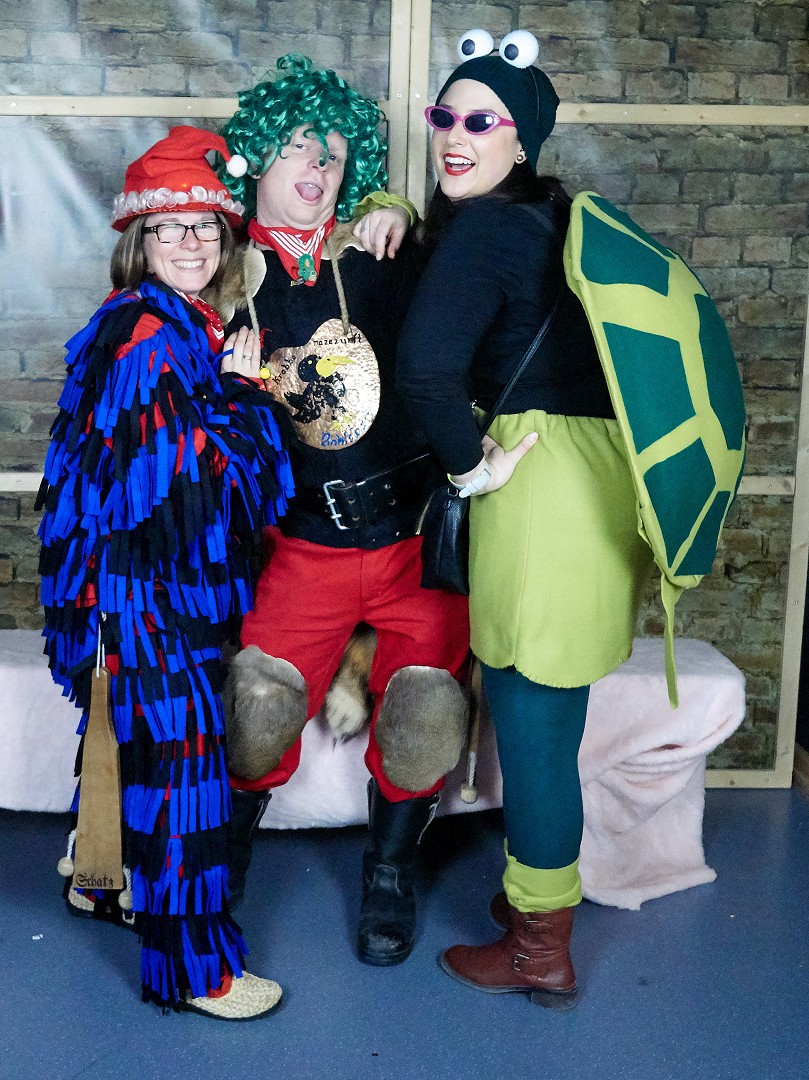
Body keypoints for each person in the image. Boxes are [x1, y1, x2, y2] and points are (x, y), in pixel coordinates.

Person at [396, 31, 653, 1008]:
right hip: (598, 485)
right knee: (552, 723)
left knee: (536, 738)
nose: (453, 135)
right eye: (443, 115)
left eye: (480, 120)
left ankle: (539, 947)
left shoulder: (486, 231)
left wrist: (469, 469)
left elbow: (424, 373)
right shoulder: (563, 224)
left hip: (537, 489)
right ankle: (534, 901)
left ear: (521, 139)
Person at [208, 54, 471, 966]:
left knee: (426, 712)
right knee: (255, 711)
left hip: (412, 542)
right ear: (255, 158)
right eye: (295, 149)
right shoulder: (218, 276)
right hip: (303, 547)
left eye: (331, 152)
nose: (315, 167)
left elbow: (469, 277)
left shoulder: (379, 251)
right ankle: (217, 877)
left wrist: (395, 207)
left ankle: (389, 875)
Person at [38, 126, 295, 1019]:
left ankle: (99, 878)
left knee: (127, 748)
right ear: (138, 241)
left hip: (128, 591)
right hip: (144, 601)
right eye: (170, 228)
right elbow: (200, 489)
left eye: (205, 227)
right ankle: (194, 972)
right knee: (185, 780)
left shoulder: (168, 323)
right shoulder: (150, 338)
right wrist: (247, 396)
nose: (191, 243)